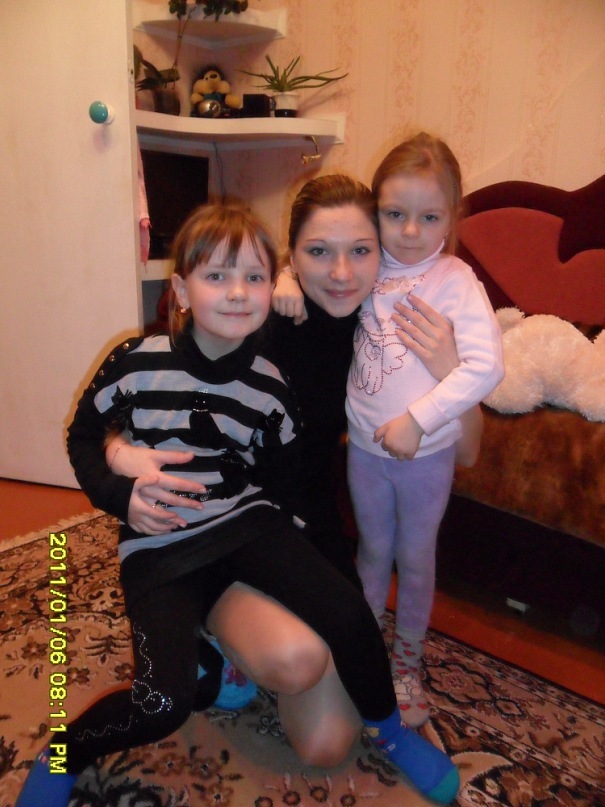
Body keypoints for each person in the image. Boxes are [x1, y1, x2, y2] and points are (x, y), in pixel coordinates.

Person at [17, 202, 460, 807]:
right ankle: (64, 752)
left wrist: (300, 561)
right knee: (163, 703)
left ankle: (389, 732)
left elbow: (283, 478)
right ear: (181, 290)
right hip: (159, 545)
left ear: (271, 288)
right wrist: (120, 494)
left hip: (245, 526)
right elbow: (83, 437)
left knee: (348, 610)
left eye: (254, 277)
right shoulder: (136, 361)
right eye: (217, 276)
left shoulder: (270, 382)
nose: (236, 292)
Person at [344, 133, 504, 728]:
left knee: (413, 558)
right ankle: (362, 654)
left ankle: (405, 666)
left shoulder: (456, 279)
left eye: (429, 217)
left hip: (426, 456)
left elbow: (487, 367)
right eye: (394, 214)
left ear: (453, 216)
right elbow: (318, 270)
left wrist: (417, 420)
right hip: (364, 452)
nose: (410, 231)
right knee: (371, 551)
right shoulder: (367, 261)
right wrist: (285, 280)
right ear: (375, 210)